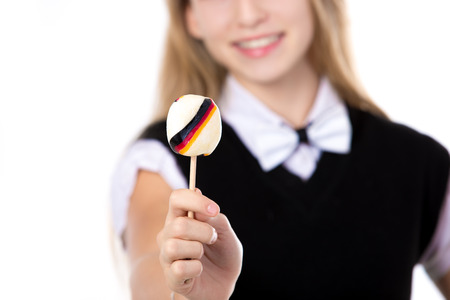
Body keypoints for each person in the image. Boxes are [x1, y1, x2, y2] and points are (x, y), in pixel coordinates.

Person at [111, 0, 450, 299]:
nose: (248, 15)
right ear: (191, 16)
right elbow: (150, 278)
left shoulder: (421, 164)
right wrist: (188, 296)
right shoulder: (161, 162)